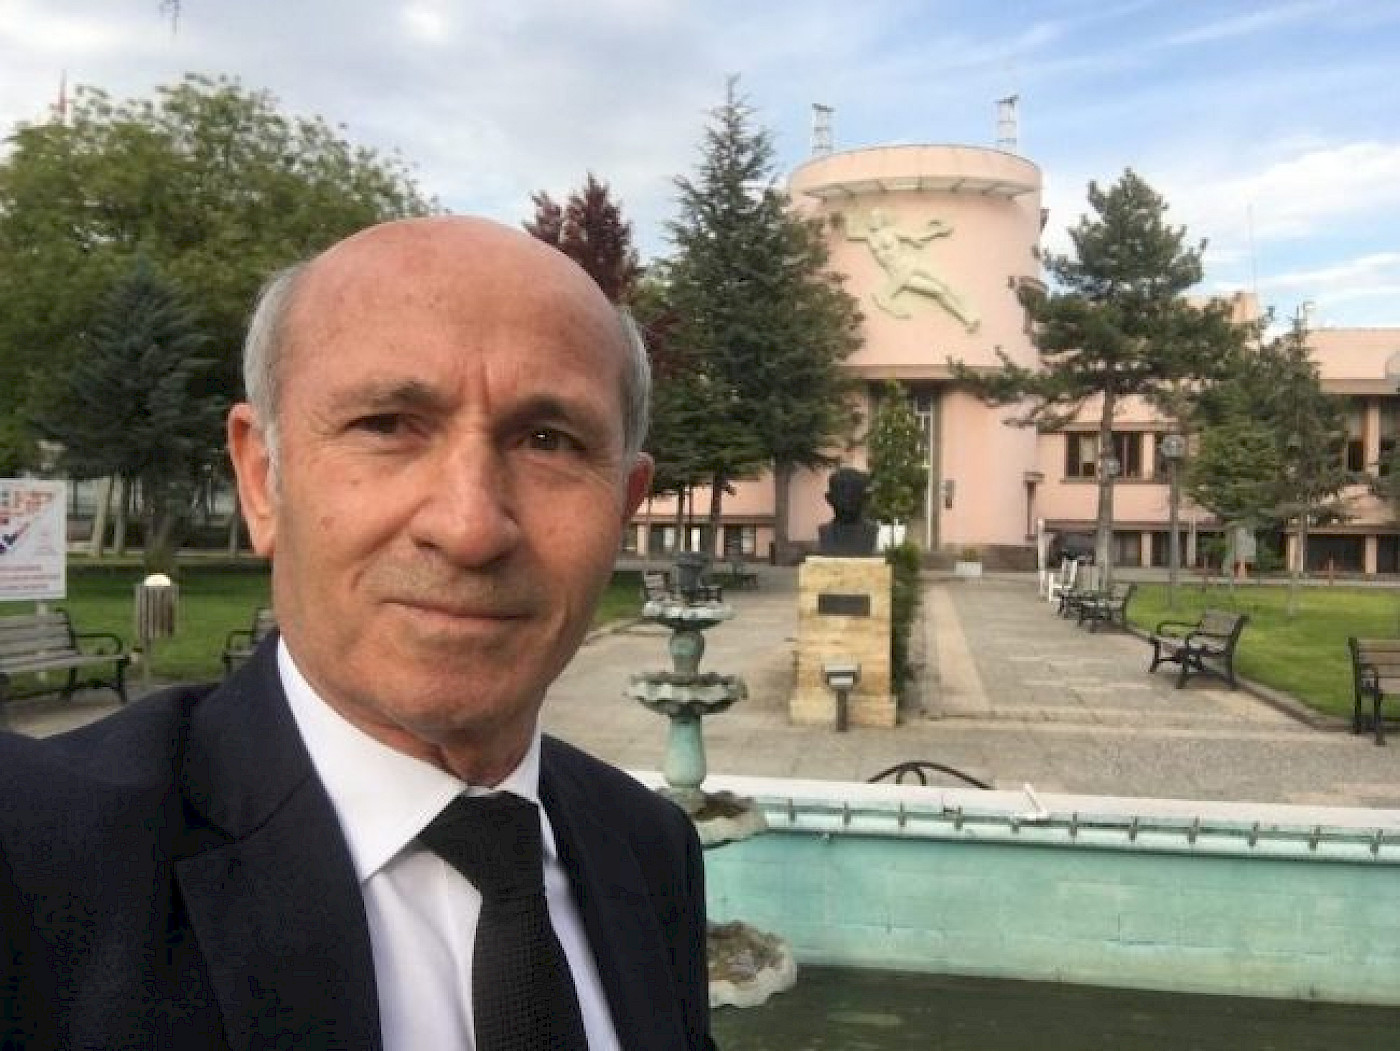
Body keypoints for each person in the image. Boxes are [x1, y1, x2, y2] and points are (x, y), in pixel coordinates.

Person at [1, 217, 716, 1050]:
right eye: (387, 424)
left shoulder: (650, 847)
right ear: (261, 479)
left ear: (624, 506)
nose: (469, 527)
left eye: (547, 441)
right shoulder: (32, 853)